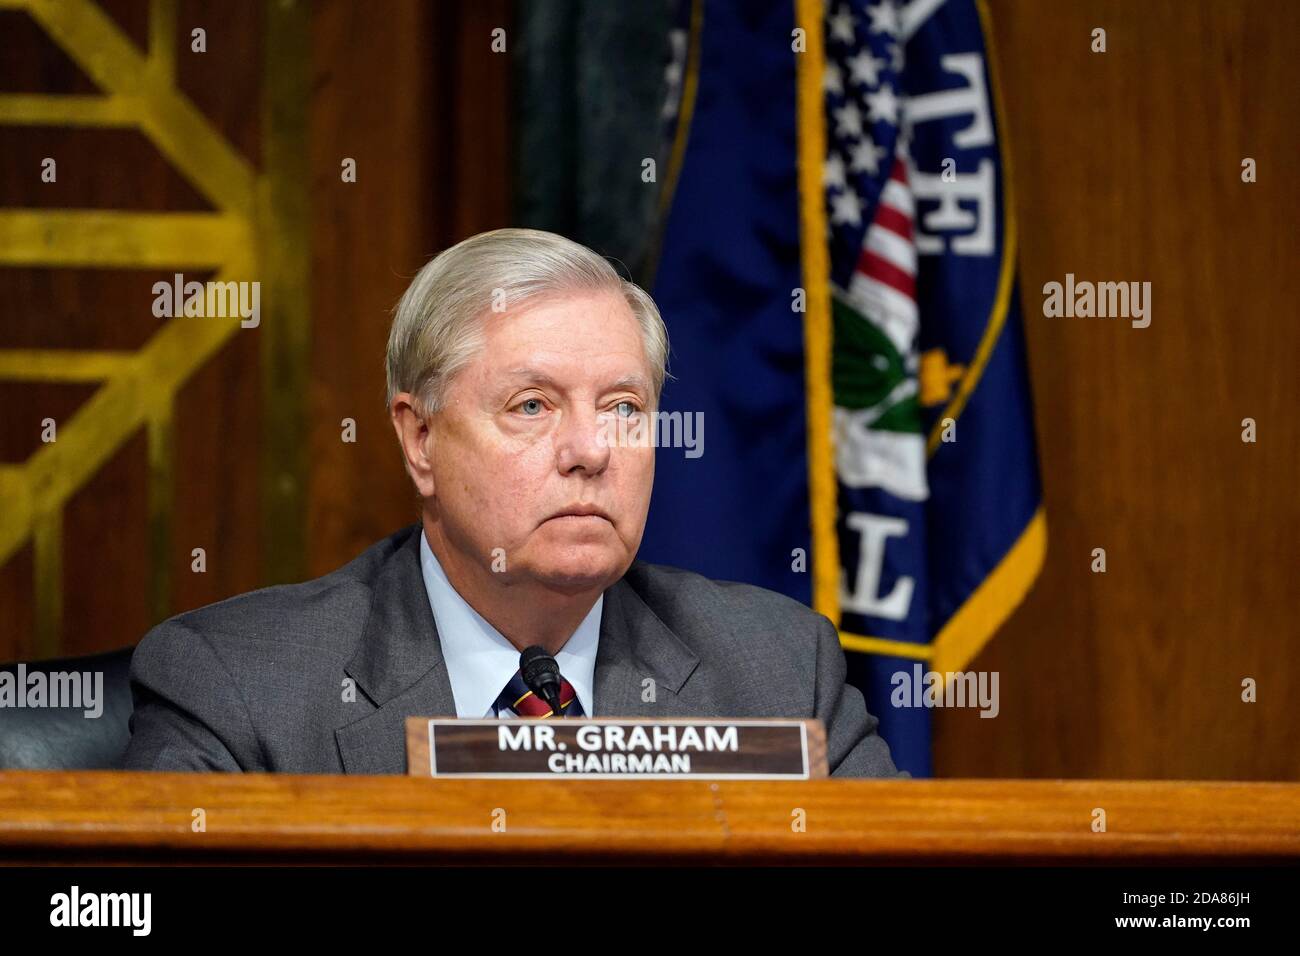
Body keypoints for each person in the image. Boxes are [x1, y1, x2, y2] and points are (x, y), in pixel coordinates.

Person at [122, 228, 903, 777]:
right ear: (419, 438)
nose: (591, 451)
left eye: (625, 408)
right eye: (532, 407)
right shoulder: (241, 686)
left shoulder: (776, 672)